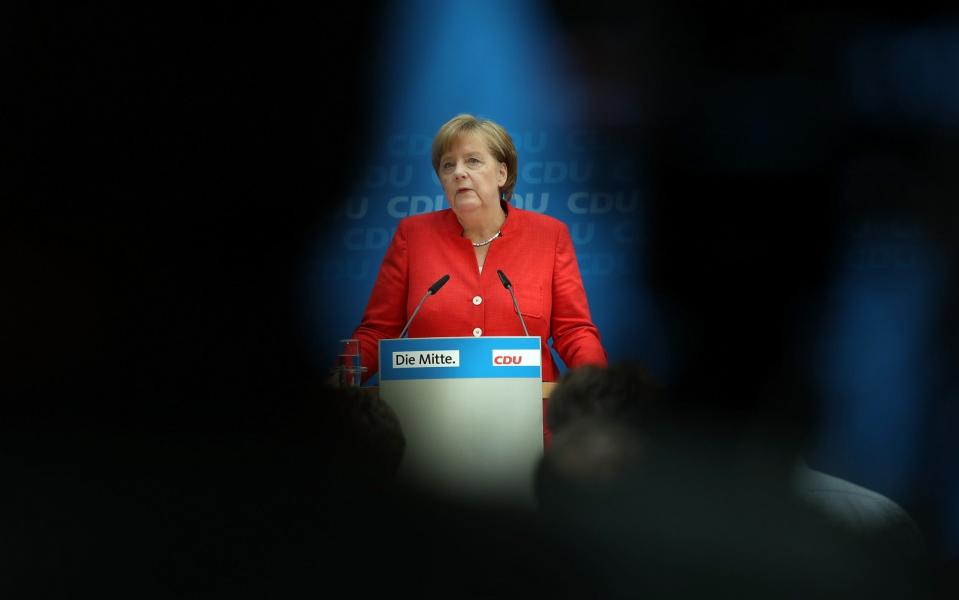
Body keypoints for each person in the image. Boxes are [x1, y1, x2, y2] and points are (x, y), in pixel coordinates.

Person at [349, 114, 607, 438]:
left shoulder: (549, 236)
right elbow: (378, 331)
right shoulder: (413, 236)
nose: (458, 172)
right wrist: (342, 374)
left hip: (528, 428)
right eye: (448, 165)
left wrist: (597, 386)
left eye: (472, 161)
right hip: (430, 428)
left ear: (502, 172)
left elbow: (574, 331)